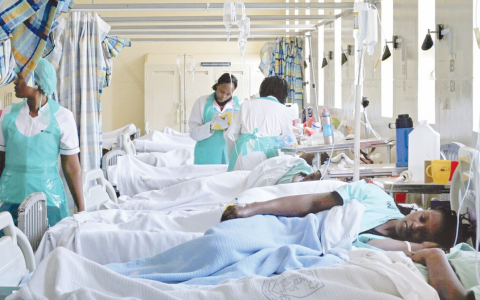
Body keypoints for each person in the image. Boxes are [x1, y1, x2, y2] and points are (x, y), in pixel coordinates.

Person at [222, 179, 460, 252]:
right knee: (224, 239)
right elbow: (313, 202)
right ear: (422, 210)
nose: (415, 226)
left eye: (423, 233)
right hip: (295, 228)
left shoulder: (395, 252)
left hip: (307, 251)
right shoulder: (375, 197)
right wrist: (253, 208)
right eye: (423, 219)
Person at [0, 58, 84, 226]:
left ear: (37, 82)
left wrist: (82, 211)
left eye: (21, 77)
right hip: (9, 198)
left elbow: (71, 168)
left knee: (49, 247)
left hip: (49, 201)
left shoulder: (63, 117)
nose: (15, 81)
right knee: (10, 249)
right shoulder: (7, 115)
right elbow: (0, 162)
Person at [225, 76, 296, 171]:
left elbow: (229, 135)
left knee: (240, 184)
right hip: (269, 158)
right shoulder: (284, 110)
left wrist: (233, 156)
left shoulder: (246, 105)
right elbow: (289, 141)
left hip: (243, 156)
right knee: (264, 183)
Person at [189, 73, 240, 165]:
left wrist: (229, 129)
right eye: (221, 91)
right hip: (206, 156)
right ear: (217, 86)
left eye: (228, 94)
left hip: (229, 155)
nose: (224, 96)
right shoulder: (201, 102)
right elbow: (193, 133)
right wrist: (211, 125)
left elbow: (242, 134)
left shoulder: (239, 105)